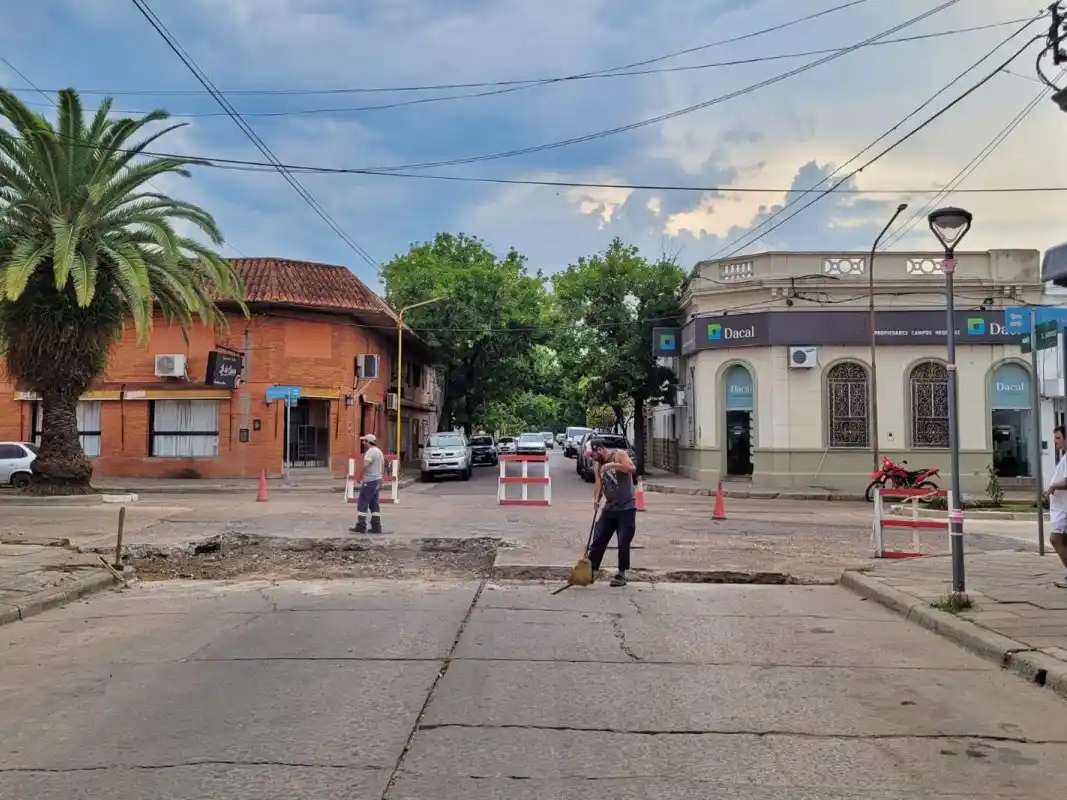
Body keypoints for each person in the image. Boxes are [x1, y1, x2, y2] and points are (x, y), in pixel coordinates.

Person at [587, 437, 638, 586]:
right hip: (610, 508)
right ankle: (591, 570)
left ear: (600, 449)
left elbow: (632, 468)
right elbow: (599, 483)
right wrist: (596, 499)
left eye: (593, 454)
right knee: (598, 538)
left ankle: (621, 574)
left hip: (627, 508)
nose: (592, 458)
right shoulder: (597, 465)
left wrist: (611, 465)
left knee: (623, 541)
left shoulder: (619, 454)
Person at [349, 433, 384, 534]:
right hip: (377, 480)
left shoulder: (370, 452)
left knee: (362, 502)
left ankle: (361, 526)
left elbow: (365, 466)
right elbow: (382, 466)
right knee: (374, 504)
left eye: (364, 441)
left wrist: (360, 478)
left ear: (368, 442)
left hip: (369, 481)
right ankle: (376, 526)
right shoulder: (379, 452)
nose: (363, 443)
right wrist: (381, 479)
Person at [1045, 425, 1067, 587]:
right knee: (1063, 541)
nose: (1055, 441)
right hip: (1060, 507)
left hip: (1063, 510)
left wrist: (1053, 486)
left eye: (1058, 438)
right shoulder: (1064, 458)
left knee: (1055, 539)